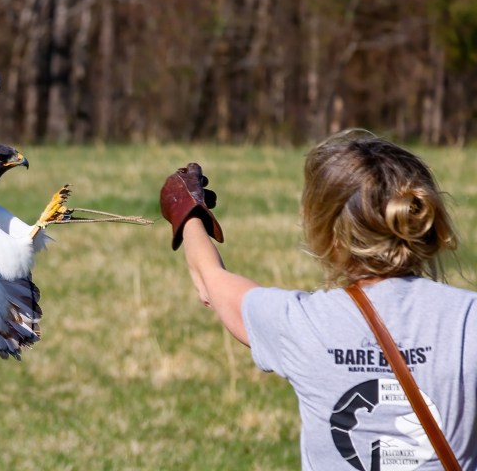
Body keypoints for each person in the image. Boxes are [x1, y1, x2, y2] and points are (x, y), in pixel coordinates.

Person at [159, 129, 477, 469]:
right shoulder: (468, 319)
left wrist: (189, 212)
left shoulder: (301, 324)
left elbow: (212, 281)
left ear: (330, 233)